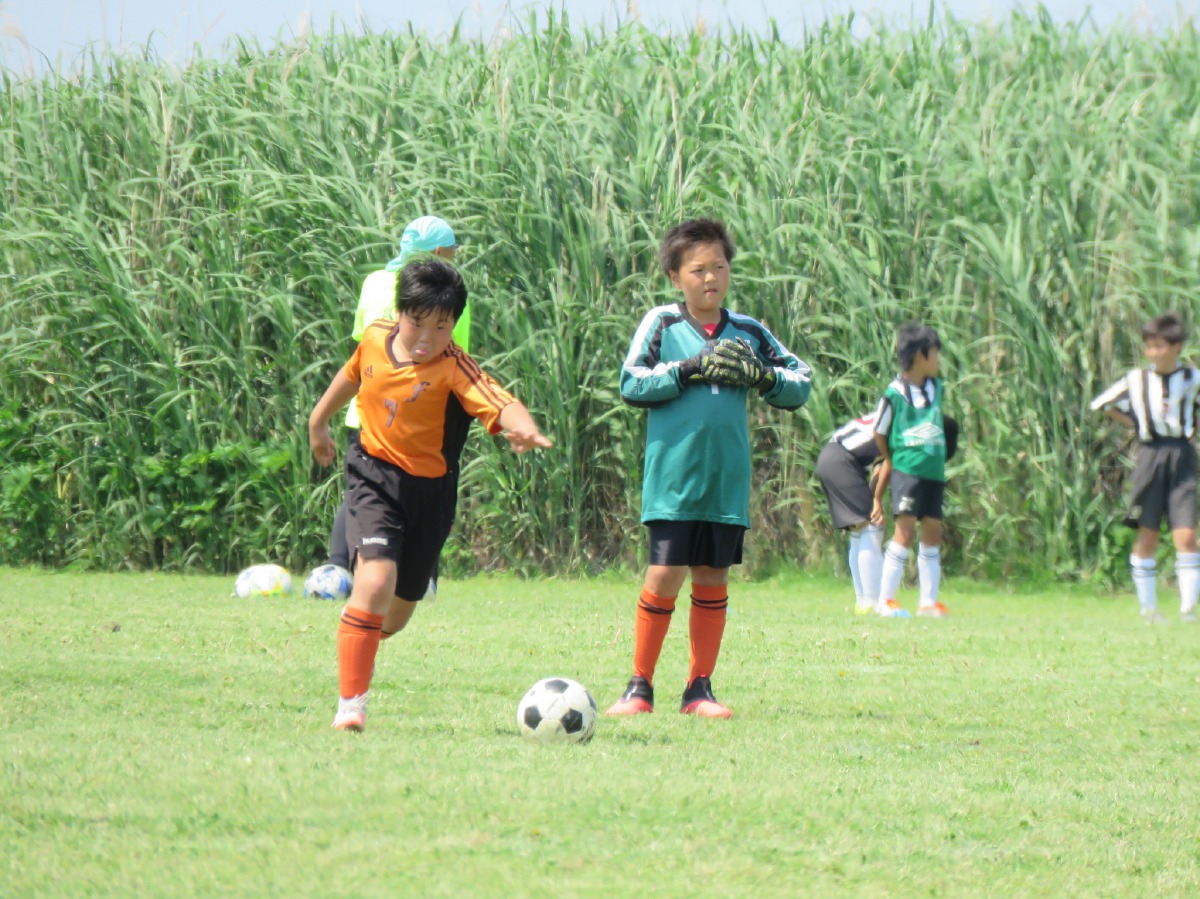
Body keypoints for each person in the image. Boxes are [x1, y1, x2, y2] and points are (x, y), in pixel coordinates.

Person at [309, 258, 552, 732]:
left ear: (454, 325)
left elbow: (499, 400)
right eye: (416, 323)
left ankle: (356, 623)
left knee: (394, 617)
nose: (426, 338)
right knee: (375, 580)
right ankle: (351, 706)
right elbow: (351, 376)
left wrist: (523, 427)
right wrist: (318, 423)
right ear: (399, 313)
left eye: (441, 327)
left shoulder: (454, 367)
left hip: (430, 494)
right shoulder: (375, 339)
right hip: (373, 474)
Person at [605, 218, 812, 719]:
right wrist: (687, 369)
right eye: (697, 270)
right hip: (674, 477)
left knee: (713, 575)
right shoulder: (663, 323)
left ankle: (699, 689)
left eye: (719, 266)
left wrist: (764, 377)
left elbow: (800, 380)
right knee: (664, 573)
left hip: (726, 479)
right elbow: (631, 382)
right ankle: (639, 686)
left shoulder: (748, 330)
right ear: (675, 276)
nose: (710, 278)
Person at [327, 215, 468, 579]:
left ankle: (337, 569)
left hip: (366, 410)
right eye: (453, 251)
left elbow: (360, 346)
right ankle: (421, 577)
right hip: (420, 418)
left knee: (364, 491)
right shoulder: (448, 299)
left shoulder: (374, 283)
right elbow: (454, 360)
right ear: (440, 253)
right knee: (425, 495)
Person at [1090, 311, 1200, 623]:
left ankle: (1188, 609)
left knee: (1186, 534)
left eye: (1160, 346)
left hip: (1182, 454)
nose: (1153, 353)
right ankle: (1149, 609)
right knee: (1147, 532)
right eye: (1149, 346)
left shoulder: (1192, 379)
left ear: (1176, 347)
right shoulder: (1137, 380)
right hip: (1150, 455)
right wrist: (1137, 424)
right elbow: (1102, 404)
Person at [817, 410, 958, 615]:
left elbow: (880, 466)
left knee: (860, 530)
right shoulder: (909, 428)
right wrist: (876, 500)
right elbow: (889, 464)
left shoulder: (906, 418)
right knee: (871, 527)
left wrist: (875, 498)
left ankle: (864, 603)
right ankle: (873, 603)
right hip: (842, 459)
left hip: (833, 456)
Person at [871, 323, 950, 618]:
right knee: (904, 531)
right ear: (920, 355)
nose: (938, 360)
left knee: (933, 531)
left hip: (934, 473)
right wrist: (891, 458)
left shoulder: (936, 387)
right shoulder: (894, 393)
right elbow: (879, 431)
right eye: (935, 354)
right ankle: (885, 600)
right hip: (907, 471)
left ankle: (928, 603)